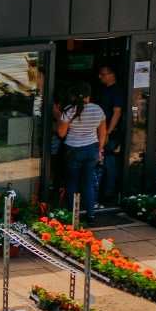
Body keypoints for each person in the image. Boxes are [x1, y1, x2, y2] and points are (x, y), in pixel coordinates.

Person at [55, 85, 107, 218]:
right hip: (92, 149)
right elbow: (103, 132)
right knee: (88, 182)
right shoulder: (98, 109)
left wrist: (58, 117)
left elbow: (61, 133)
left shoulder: (69, 111)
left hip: (73, 150)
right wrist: (100, 149)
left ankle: (73, 215)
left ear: (73, 96)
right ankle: (91, 215)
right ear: (88, 96)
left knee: (72, 182)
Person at [93, 64, 128, 203]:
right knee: (103, 161)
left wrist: (107, 132)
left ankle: (109, 192)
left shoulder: (117, 91)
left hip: (109, 132)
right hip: (101, 130)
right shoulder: (103, 90)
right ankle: (103, 190)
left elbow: (117, 112)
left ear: (111, 74)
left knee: (109, 161)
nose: (100, 77)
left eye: (103, 74)